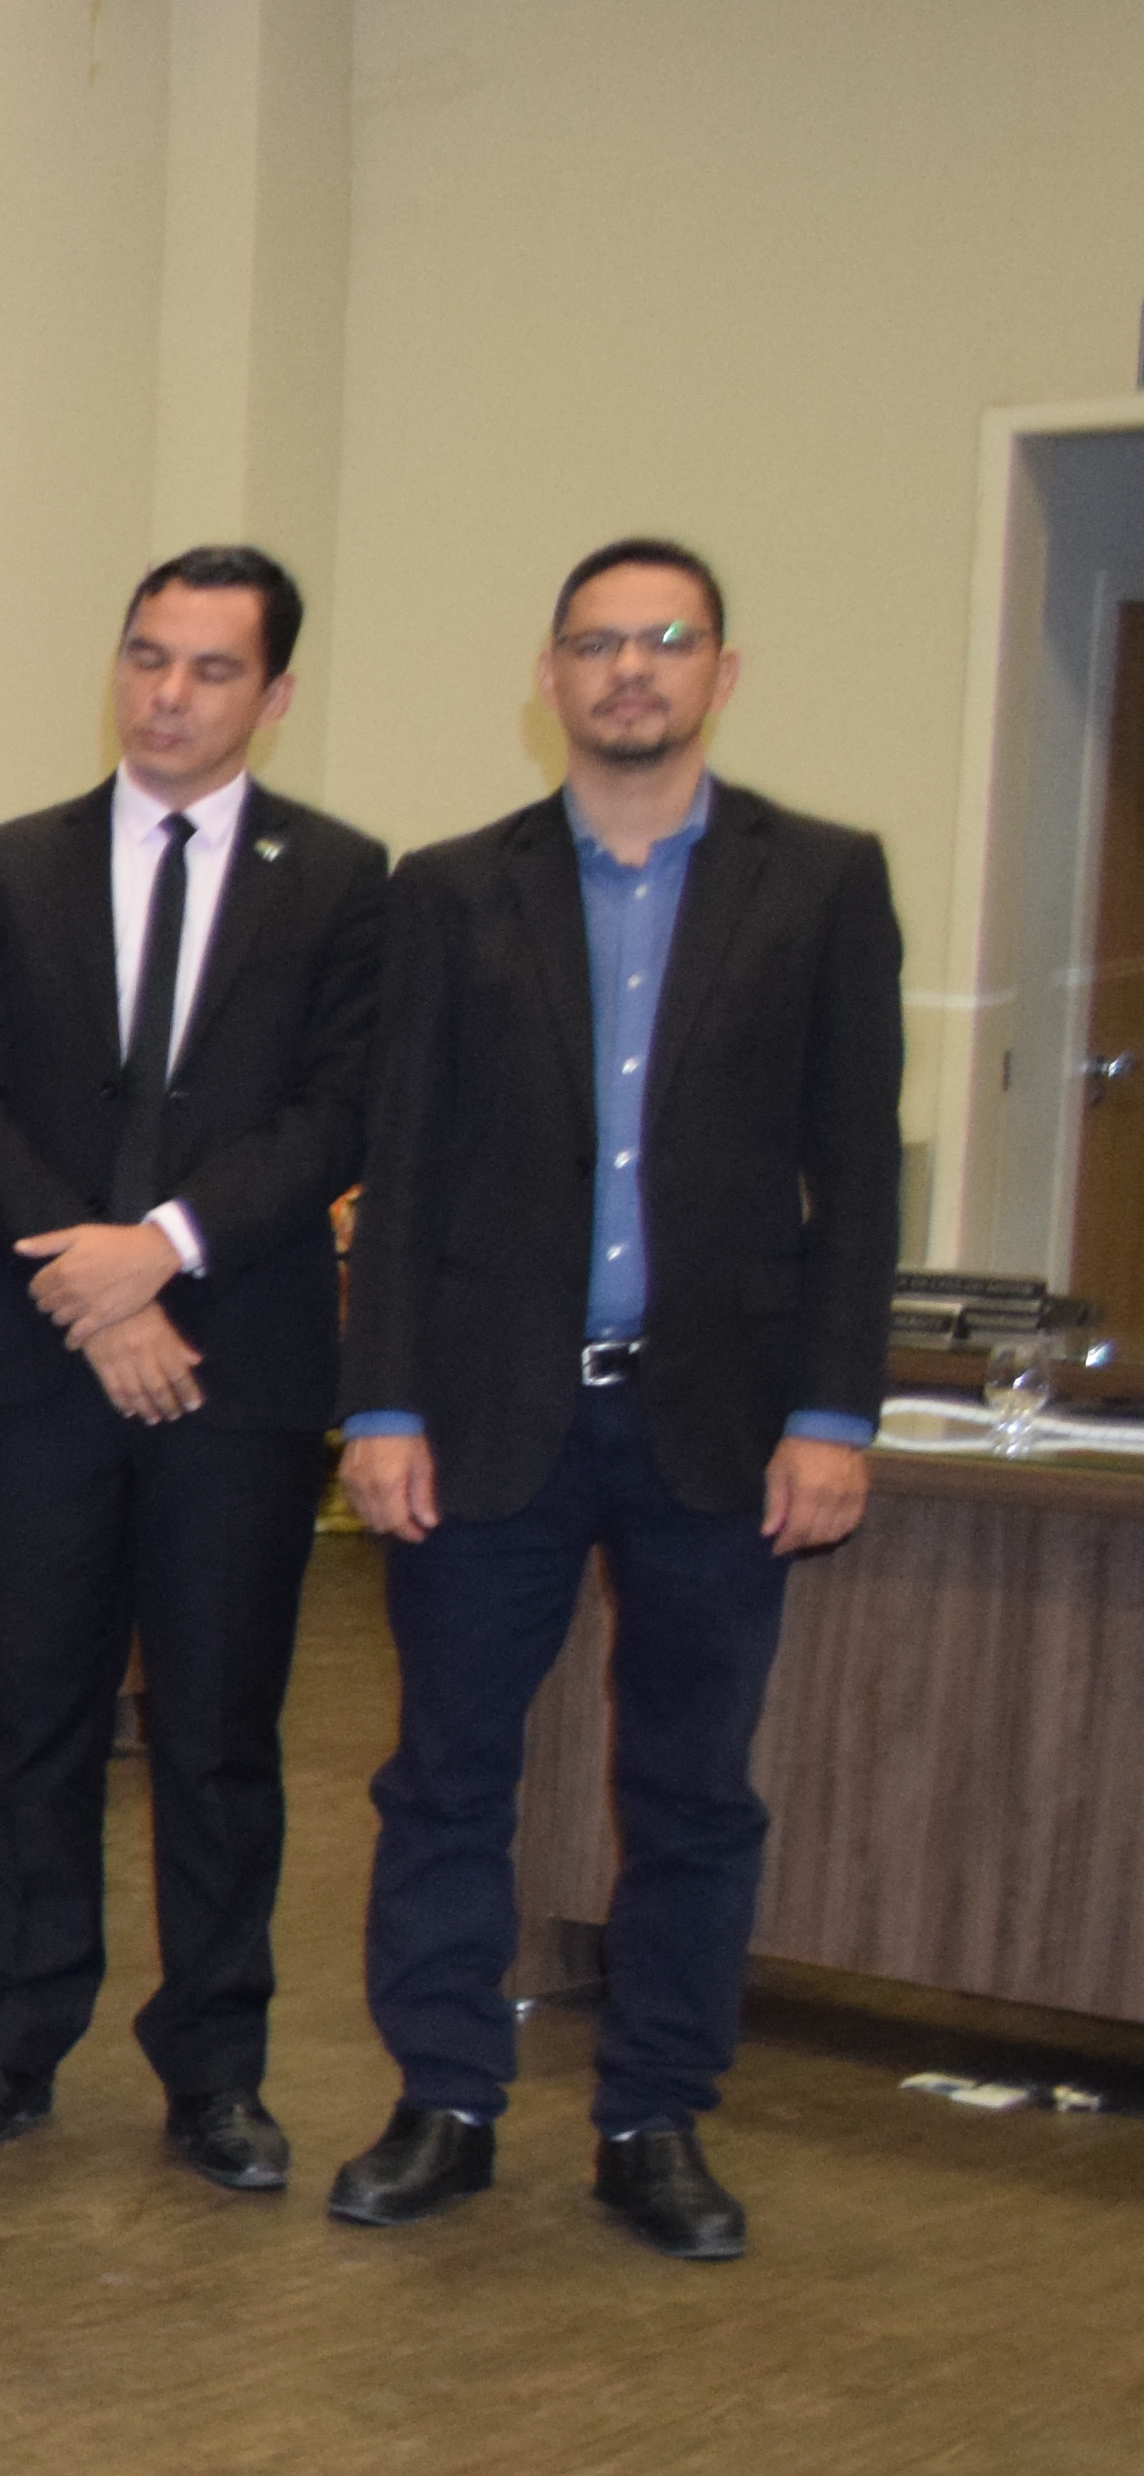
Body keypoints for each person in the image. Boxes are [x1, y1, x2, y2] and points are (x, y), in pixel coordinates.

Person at [325, 538, 898, 2264]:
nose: (630, 669)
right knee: (446, 1774)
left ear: (723, 671)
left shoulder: (822, 882)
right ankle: (447, 2096)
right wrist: (382, 1404)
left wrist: (838, 1414)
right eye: (596, 643)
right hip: (494, 1410)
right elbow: (402, 1165)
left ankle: (656, 2115)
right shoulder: (449, 890)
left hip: (719, 1425)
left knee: (694, 1787)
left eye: (665, 641)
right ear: (550, 679)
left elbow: (852, 1172)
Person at [0, 550, 389, 2191]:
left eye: (209, 670)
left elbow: (336, 1109)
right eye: (146, 659)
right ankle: (11, 2043)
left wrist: (168, 1248)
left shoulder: (337, 879)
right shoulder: (16, 864)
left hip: (234, 1374)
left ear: (275, 695)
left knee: (217, 1732)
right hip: (49, 1364)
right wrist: (95, 1284)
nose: (169, 695)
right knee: (35, 1722)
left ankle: (215, 2068)